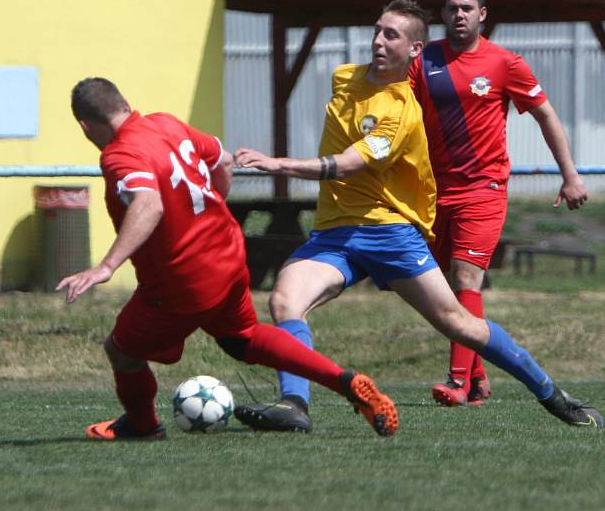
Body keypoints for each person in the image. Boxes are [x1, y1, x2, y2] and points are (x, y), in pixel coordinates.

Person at [232, 0, 603, 432]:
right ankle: (294, 404)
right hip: (334, 232)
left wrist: (279, 164)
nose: (378, 41)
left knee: (460, 324)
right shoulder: (344, 78)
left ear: (414, 51)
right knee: (284, 301)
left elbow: (350, 163)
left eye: (392, 35)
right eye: (377, 30)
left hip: (389, 232)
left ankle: (551, 394)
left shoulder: (402, 110)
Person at [56, 77, 399, 439]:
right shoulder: (165, 123)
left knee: (121, 350)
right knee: (243, 337)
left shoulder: (119, 154)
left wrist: (106, 267)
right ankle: (346, 381)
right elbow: (221, 158)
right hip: (228, 253)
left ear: (84, 125)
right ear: (125, 104)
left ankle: (142, 426)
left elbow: (149, 202)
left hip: (182, 277)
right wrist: (211, 206)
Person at [407, 0, 589, 407]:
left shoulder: (504, 63)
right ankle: (479, 374)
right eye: (451, 8)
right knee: (445, 292)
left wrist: (570, 175)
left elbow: (545, 114)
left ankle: (459, 382)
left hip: (483, 189)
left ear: (482, 14)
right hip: (434, 191)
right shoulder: (425, 59)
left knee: (467, 278)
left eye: (467, 8)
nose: (459, 15)